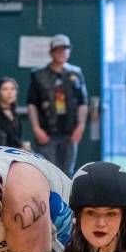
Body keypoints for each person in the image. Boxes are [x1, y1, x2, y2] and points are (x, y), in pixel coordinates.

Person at [27, 34, 88, 175]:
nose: (62, 53)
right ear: (51, 52)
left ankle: (66, 198)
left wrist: (80, 127)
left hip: (70, 133)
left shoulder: (76, 73)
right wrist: (36, 129)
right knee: (48, 172)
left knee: (68, 172)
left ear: (70, 51)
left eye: (65, 49)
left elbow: (82, 102)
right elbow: (32, 104)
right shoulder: (38, 75)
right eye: (58, 50)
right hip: (47, 132)